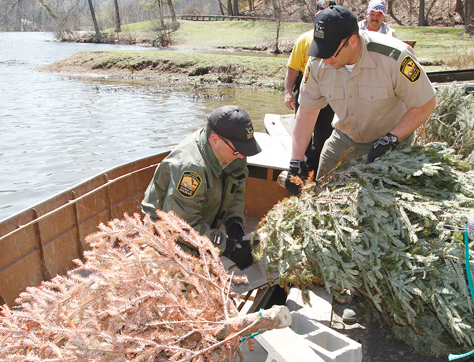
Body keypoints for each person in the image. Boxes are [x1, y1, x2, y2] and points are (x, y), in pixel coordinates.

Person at [288, 5, 436, 322]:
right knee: (323, 201)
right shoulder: (319, 63)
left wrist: (393, 138)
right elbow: (307, 112)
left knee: (382, 211)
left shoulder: (393, 56)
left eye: (331, 51)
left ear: (352, 41)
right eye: (321, 50)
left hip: (391, 138)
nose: (325, 58)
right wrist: (296, 159)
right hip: (346, 137)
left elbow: (426, 103)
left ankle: (381, 276)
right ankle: (340, 278)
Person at [141, 105, 262, 270]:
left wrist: (235, 224)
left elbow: (235, 191)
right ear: (215, 140)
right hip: (168, 232)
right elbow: (181, 226)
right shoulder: (191, 169)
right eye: (238, 151)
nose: (241, 155)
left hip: (200, 222)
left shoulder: (234, 155)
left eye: (244, 150)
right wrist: (228, 247)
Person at [283, 0, 336, 193]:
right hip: (305, 89)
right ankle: (301, 168)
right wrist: (288, 92)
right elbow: (292, 68)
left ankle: (316, 170)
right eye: (322, 13)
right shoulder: (304, 39)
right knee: (304, 128)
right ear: (316, 16)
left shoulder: (339, 42)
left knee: (323, 133)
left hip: (329, 94)